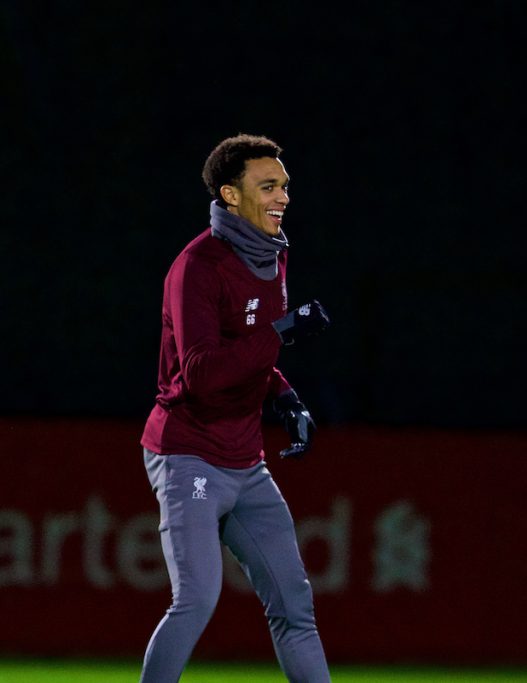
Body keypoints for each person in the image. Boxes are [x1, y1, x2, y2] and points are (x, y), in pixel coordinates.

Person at [139, 133, 333, 682]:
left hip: (246, 463)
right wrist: (285, 330)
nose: (284, 197)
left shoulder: (274, 254)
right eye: (268, 186)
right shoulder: (197, 267)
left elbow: (249, 352)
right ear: (230, 194)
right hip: (189, 456)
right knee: (196, 599)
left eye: (285, 185)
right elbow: (202, 374)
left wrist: (285, 396)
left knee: (295, 607)